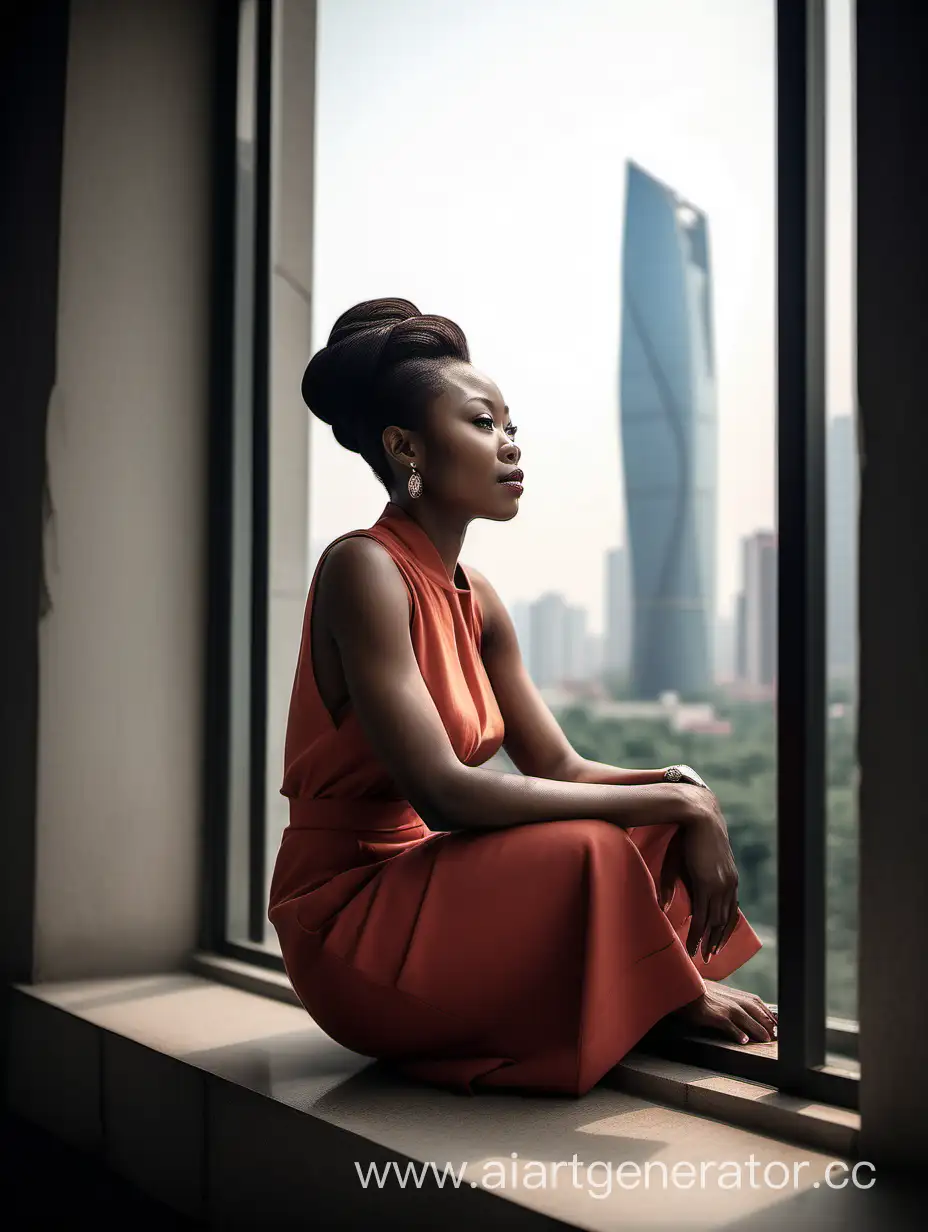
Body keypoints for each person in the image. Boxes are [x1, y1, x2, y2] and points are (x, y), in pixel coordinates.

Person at [268, 297, 775, 1097]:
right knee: (597, 843)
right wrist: (675, 806)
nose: (509, 444)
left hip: (432, 886)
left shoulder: (481, 598)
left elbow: (561, 767)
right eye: (481, 423)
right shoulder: (361, 569)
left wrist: (686, 795)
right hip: (350, 921)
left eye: (510, 424)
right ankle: (668, 991)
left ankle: (655, 991)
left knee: (647, 813)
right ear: (407, 447)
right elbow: (443, 794)